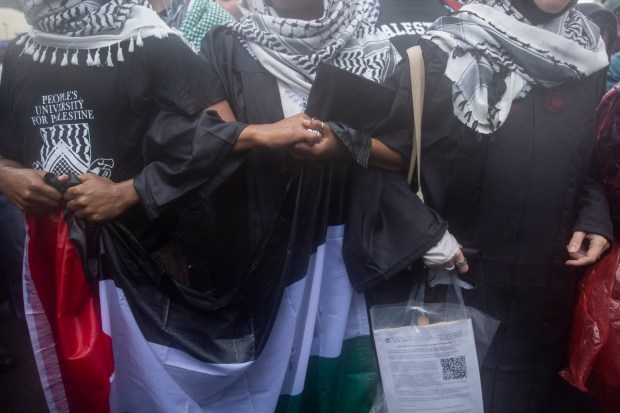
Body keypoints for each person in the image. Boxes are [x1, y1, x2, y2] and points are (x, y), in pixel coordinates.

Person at [0, 0, 328, 410]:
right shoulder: (20, 53)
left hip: (149, 266)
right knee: (86, 388)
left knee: (156, 392)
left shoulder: (150, 41)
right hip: (59, 263)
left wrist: (128, 192)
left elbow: (220, 139)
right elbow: (7, 150)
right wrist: (8, 176)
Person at [185, 0, 469, 410]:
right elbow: (207, 142)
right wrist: (266, 136)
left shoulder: (383, 48)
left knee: (350, 379)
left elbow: (412, 153)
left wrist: (344, 145)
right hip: (266, 257)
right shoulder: (228, 47)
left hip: (356, 253)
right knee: (274, 384)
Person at [380, 0, 612, 411]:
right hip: (457, 289)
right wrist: (425, 235)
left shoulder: (587, 60)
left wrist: (594, 217)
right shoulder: (443, 50)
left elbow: (587, 163)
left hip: (545, 308)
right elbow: (379, 164)